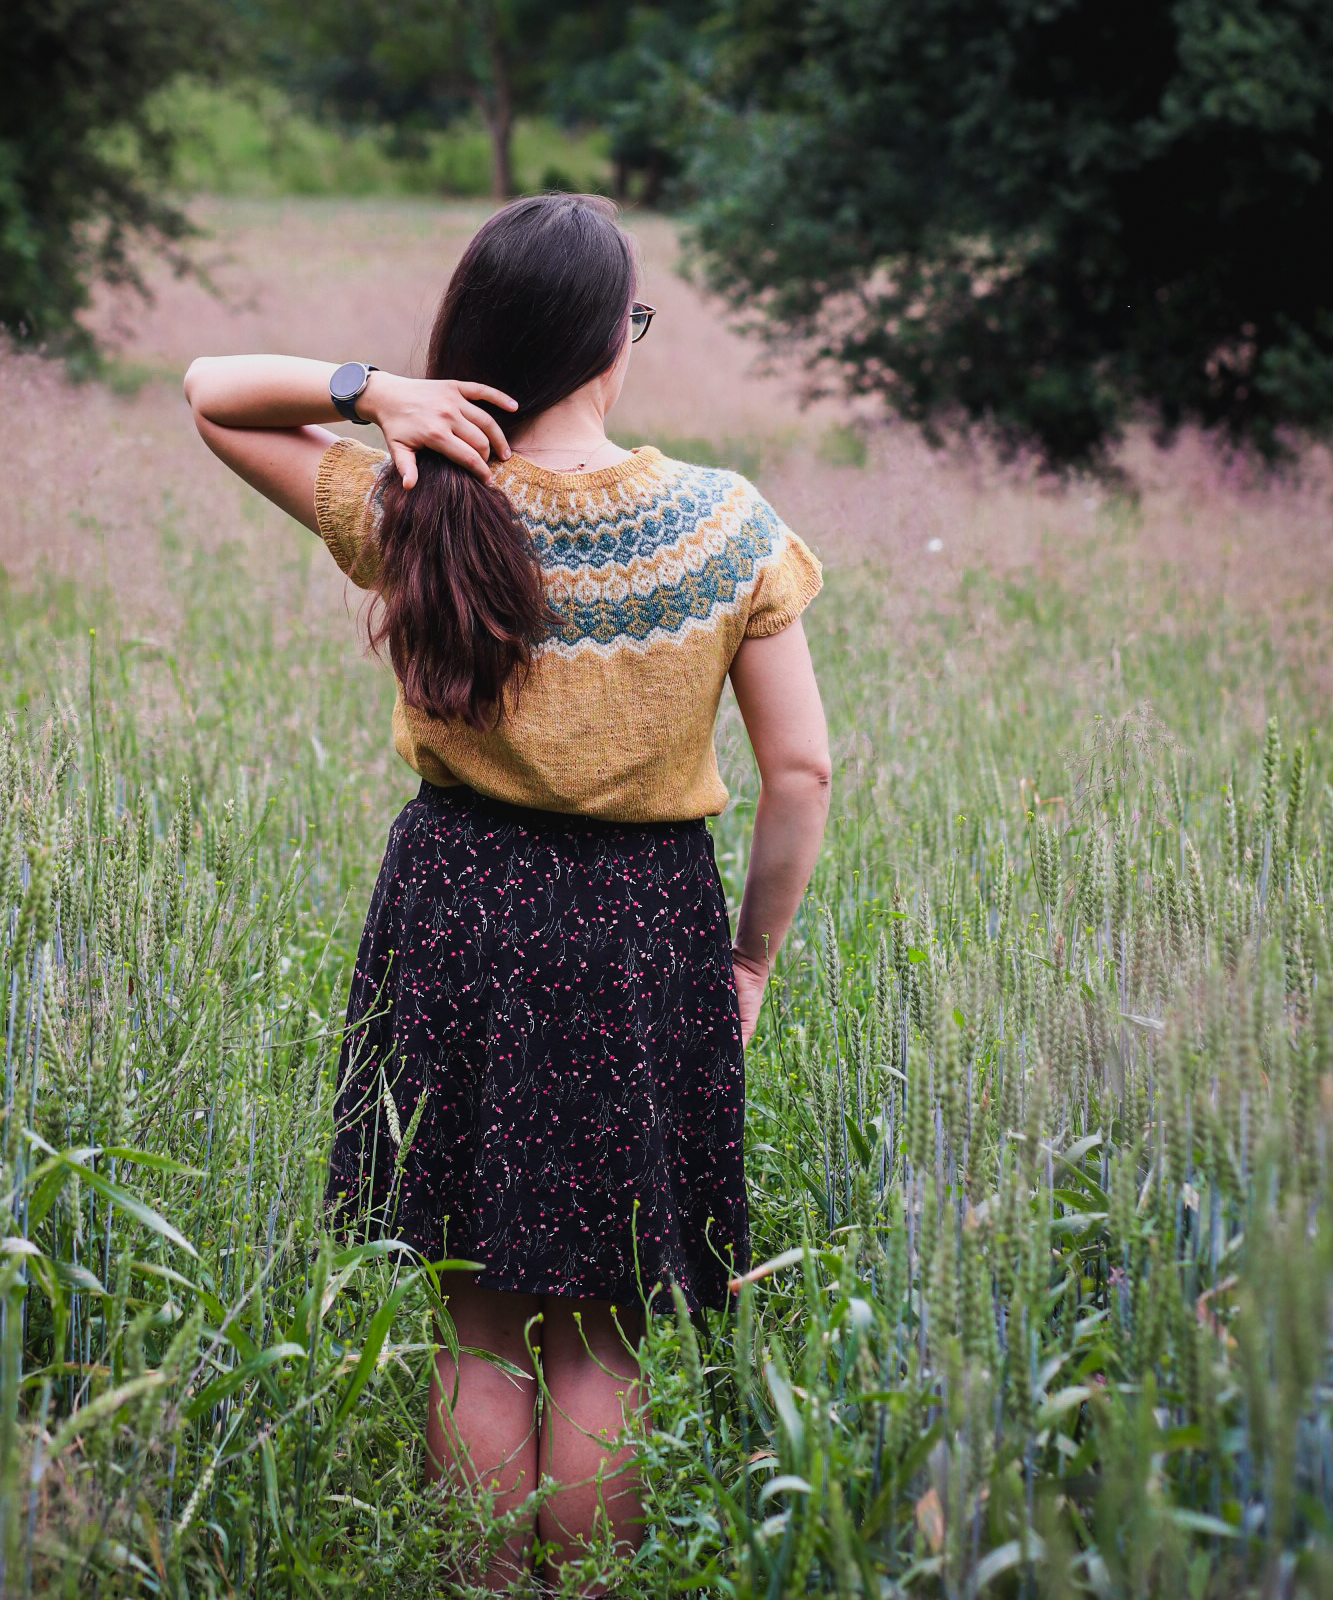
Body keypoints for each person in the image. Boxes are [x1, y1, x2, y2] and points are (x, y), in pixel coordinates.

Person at [184, 192, 830, 1598]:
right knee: (605, 1335)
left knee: (476, 1325)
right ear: (611, 339)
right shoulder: (725, 529)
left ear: (489, 339)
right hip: (649, 931)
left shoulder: (421, 500)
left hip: (459, 910)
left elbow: (211, 394)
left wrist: (376, 395)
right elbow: (804, 773)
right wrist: (753, 962)